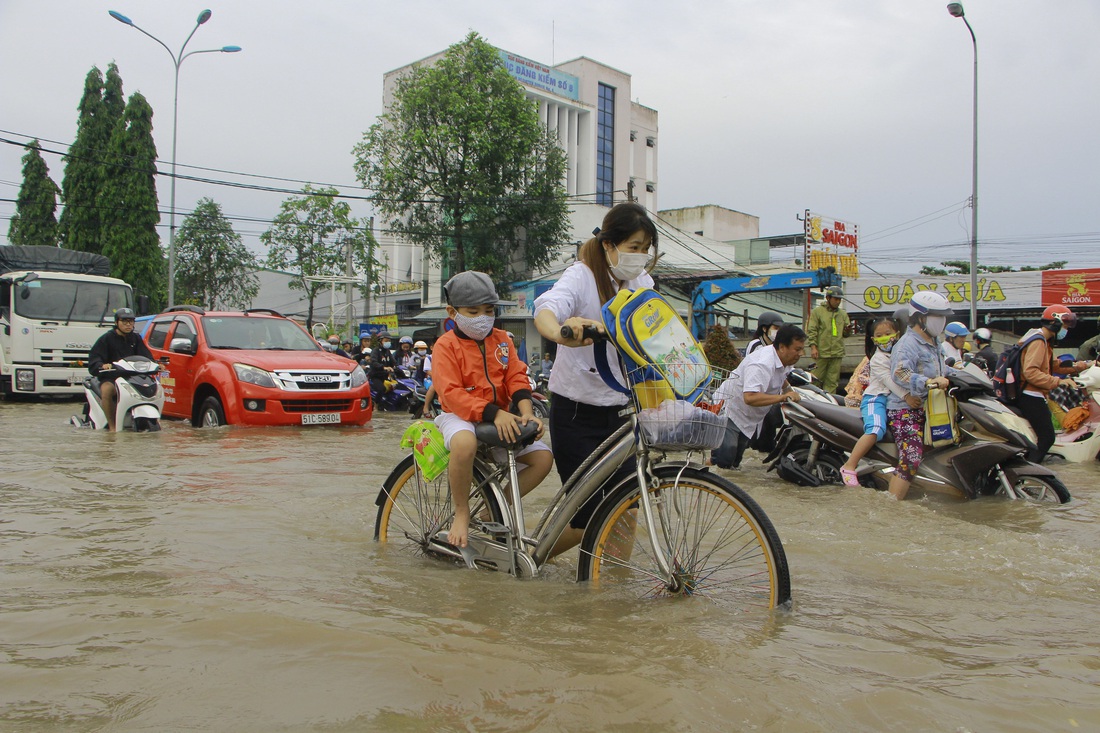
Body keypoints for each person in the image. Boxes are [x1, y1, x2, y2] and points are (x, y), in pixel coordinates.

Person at [533, 201, 658, 554]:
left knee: (627, 508)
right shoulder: (581, 276)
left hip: (622, 411)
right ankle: (532, 559)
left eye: (645, 249)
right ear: (609, 244)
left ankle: (611, 594)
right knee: (588, 518)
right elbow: (546, 309)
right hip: (576, 413)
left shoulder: (640, 281)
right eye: (634, 248)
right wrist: (560, 332)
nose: (640, 256)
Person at [433, 271, 552, 548]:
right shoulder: (445, 345)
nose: (482, 318)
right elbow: (451, 393)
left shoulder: (502, 339)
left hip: (499, 414)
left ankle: (495, 508)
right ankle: (461, 513)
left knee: (544, 459)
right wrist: (494, 413)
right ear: (453, 312)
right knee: (464, 443)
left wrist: (526, 411)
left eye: (488, 310)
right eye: (472, 311)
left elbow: (516, 377)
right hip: (459, 415)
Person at [886, 291, 958, 500]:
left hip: (931, 407)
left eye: (943, 317)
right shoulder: (907, 344)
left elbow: (942, 371)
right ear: (920, 318)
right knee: (911, 458)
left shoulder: (935, 342)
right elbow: (900, 373)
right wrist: (927, 382)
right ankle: (892, 504)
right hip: (905, 410)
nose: (941, 322)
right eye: (937, 316)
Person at [712, 324, 806, 469]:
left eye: (802, 349)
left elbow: (781, 376)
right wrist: (782, 398)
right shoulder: (761, 364)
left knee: (736, 461)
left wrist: (788, 390)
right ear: (782, 347)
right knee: (723, 459)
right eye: (797, 349)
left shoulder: (784, 360)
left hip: (749, 416)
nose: (801, 353)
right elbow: (750, 397)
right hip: (730, 408)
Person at [839, 317, 919, 486]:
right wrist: (907, 397)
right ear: (873, 339)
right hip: (875, 399)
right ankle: (849, 465)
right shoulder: (878, 358)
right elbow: (889, 381)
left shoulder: (899, 354)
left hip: (891, 399)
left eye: (888, 334)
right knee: (876, 430)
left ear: (897, 334)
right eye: (879, 335)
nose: (884, 338)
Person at [1015, 305, 1090, 463]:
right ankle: (1027, 472)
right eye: (1065, 324)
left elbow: (1055, 365)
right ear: (1054, 322)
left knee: (1042, 437)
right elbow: (1031, 372)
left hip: (1035, 394)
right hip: (1030, 395)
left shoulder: (1043, 340)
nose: (1067, 329)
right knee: (1047, 437)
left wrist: (1082, 365)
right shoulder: (1038, 342)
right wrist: (1059, 382)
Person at [87, 307, 154, 432]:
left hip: (132, 378)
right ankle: (113, 427)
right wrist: (102, 365)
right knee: (107, 391)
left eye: (131, 321)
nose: (128, 324)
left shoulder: (136, 339)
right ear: (116, 322)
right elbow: (94, 359)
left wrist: (155, 364)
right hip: (112, 378)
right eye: (124, 321)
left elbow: (146, 356)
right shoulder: (106, 339)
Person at [806, 285, 850, 394]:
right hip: (821, 352)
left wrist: (847, 330)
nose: (838, 301)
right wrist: (813, 347)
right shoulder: (818, 312)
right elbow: (812, 330)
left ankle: (829, 404)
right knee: (816, 379)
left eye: (839, 299)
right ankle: (814, 401)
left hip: (837, 353)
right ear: (828, 298)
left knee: (832, 382)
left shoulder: (843, 314)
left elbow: (845, 334)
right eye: (835, 299)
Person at [368, 330, 398, 395]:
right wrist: (384, 367)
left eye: (389, 341)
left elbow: (393, 362)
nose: (388, 342)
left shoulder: (388, 351)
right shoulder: (375, 351)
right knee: (382, 389)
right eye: (386, 340)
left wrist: (395, 366)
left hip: (386, 376)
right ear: (380, 341)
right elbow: (374, 362)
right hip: (376, 376)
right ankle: (376, 404)